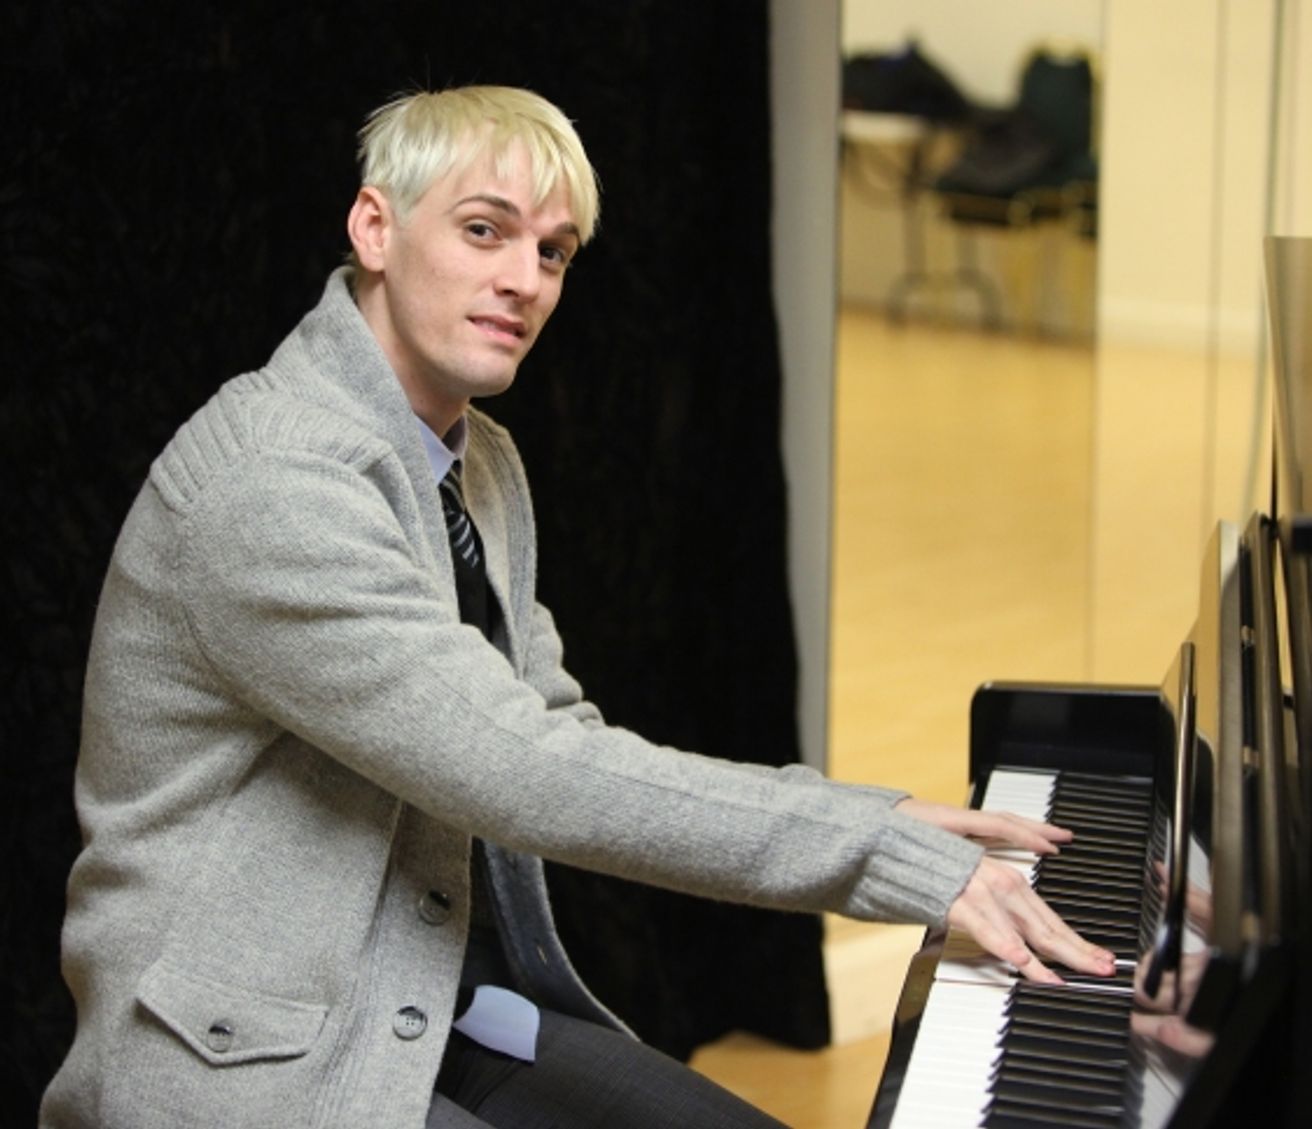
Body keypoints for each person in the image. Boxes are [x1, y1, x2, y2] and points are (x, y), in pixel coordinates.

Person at [40, 85, 1114, 1129]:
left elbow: (551, 724)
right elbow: (521, 768)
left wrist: (863, 814)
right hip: (248, 1058)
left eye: (551, 252)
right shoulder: (273, 481)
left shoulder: (477, 462)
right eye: (483, 230)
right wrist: (870, 852)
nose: (523, 280)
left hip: (432, 1003)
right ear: (375, 228)